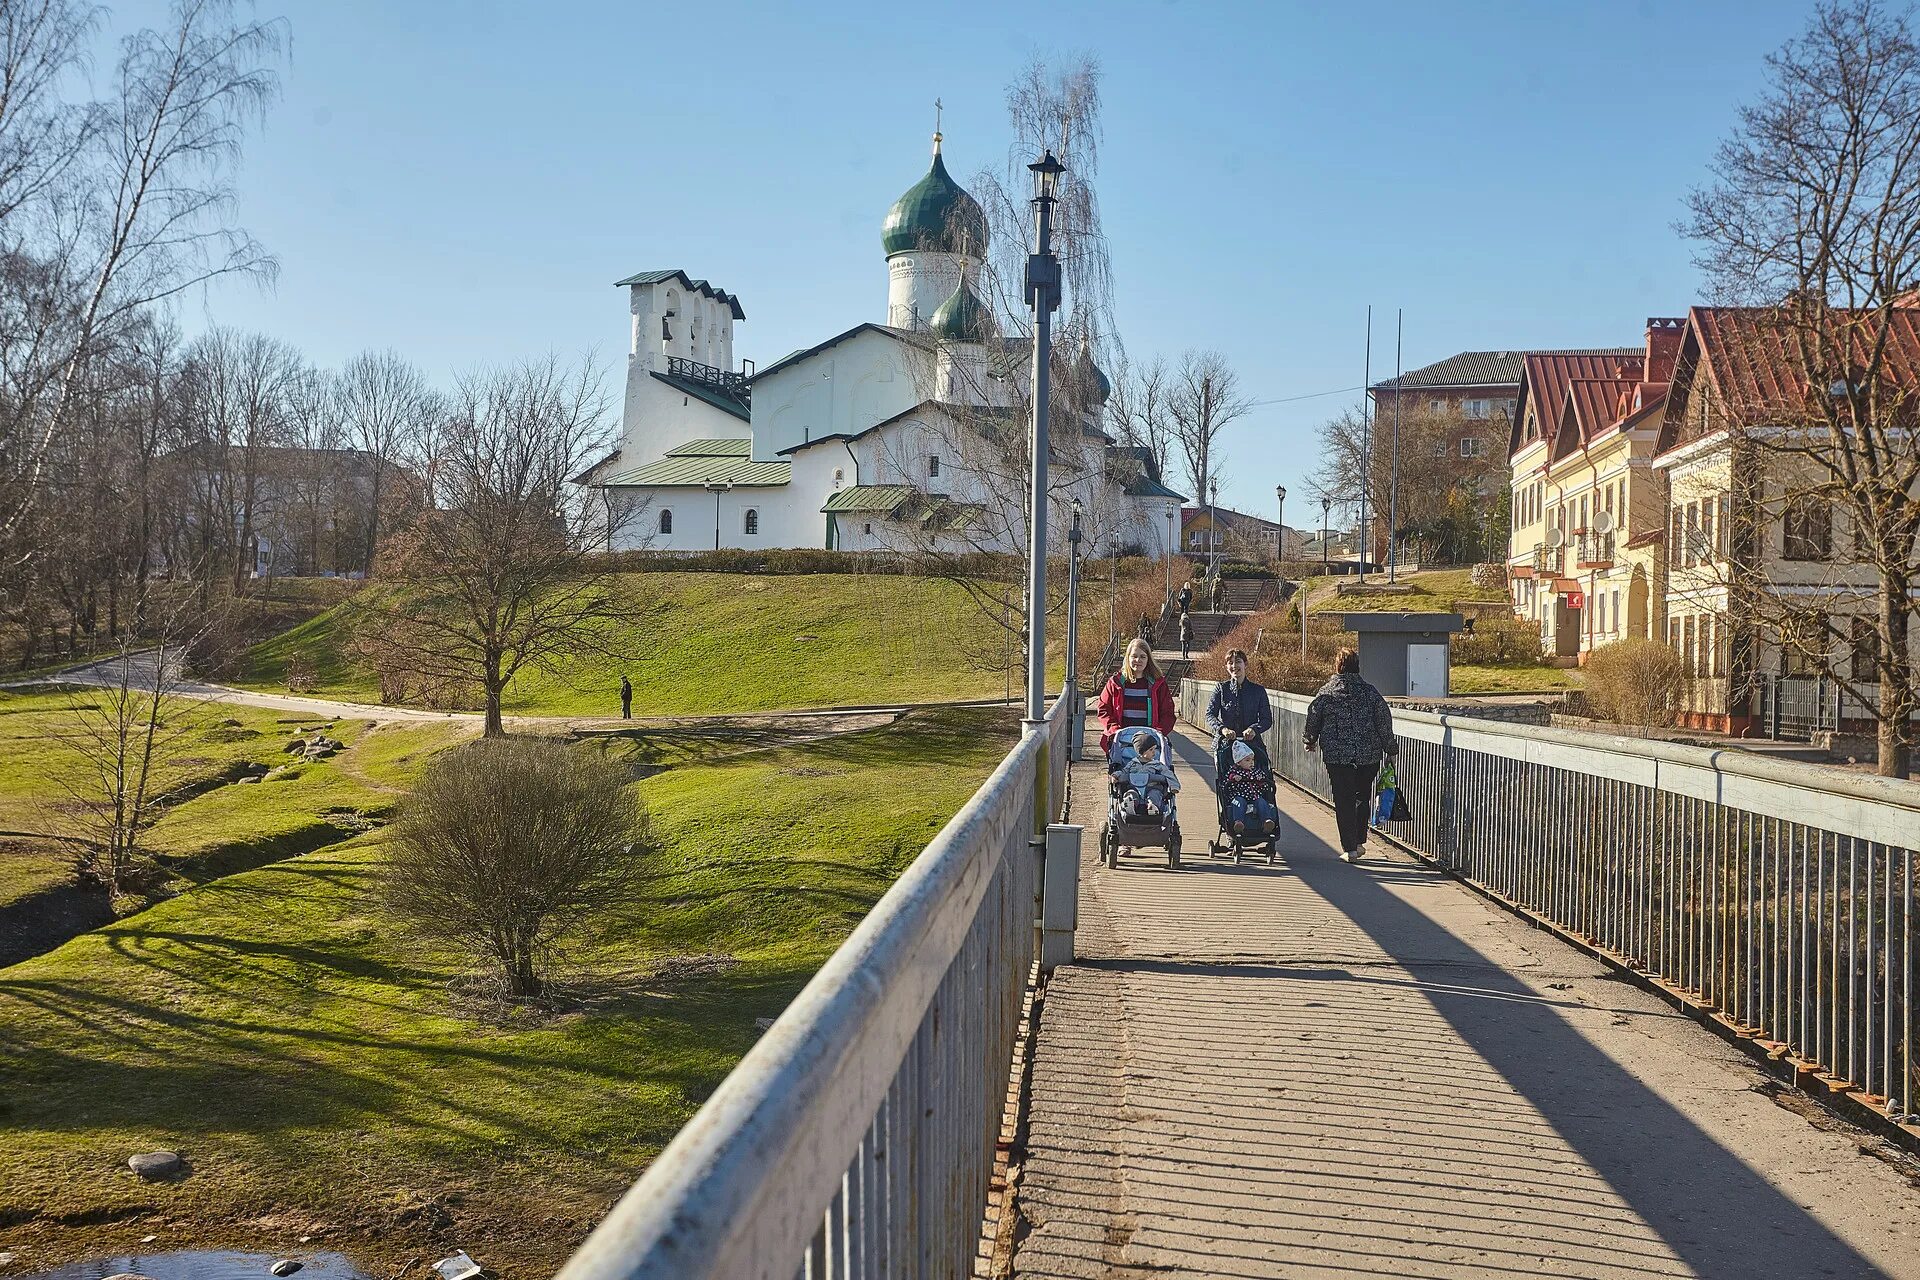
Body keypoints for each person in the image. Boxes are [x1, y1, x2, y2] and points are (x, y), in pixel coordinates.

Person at [1303, 648, 1398, 863]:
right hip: (1369, 755)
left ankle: (1350, 849)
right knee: (1361, 796)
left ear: (1337, 667)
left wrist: (1310, 740)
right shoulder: (1370, 693)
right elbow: (1384, 722)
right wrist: (1391, 749)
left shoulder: (1327, 692)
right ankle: (1358, 841)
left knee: (1344, 799)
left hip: (1338, 756)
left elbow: (1313, 718)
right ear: (1358, 667)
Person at [1096, 637, 1175, 754]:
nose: (1138, 660)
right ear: (1128, 658)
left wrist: (1158, 732)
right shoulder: (1115, 683)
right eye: (1134, 656)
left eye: (1143, 657)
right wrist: (1115, 730)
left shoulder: (1158, 685)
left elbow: (1168, 713)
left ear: (1148, 659)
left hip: (1149, 743)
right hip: (1121, 741)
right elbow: (1103, 709)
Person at [1205, 648, 1272, 778]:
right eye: (1230, 663)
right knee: (1228, 782)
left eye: (1238, 662)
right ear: (1226, 666)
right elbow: (1210, 714)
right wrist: (1222, 729)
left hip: (1252, 745)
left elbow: (1266, 719)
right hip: (1226, 744)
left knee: (1257, 779)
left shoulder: (1258, 691)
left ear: (1245, 664)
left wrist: (1254, 729)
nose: (1234, 666)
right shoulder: (1221, 689)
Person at [1110, 730, 1179, 822]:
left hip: (1152, 787)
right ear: (1142, 751)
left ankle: (1152, 806)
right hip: (1134, 787)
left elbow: (1168, 774)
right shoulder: (1132, 763)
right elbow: (1124, 771)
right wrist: (1115, 775)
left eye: (1155, 749)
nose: (1154, 752)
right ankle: (1130, 804)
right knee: (1130, 793)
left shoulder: (1157, 764)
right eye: (1151, 750)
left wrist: (1174, 786)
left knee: (1155, 795)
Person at [1219, 739, 1277, 837]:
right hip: (1238, 797)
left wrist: (1261, 781)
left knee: (1262, 802)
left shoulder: (1256, 771)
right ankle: (1238, 823)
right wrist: (1233, 779)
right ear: (1238, 762)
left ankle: (1266, 821)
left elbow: (1266, 786)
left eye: (1252, 760)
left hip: (1255, 796)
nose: (1251, 763)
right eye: (1247, 760)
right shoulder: (1233, 772)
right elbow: (1225, 786)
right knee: (1238, 803)